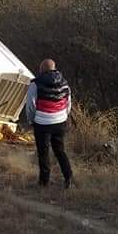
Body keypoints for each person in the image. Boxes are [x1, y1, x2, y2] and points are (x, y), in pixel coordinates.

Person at [26, 58, 73, 189]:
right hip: (60, 122)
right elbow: (68, 103)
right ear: (54, 68)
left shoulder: (35, 84)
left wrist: (31, 120)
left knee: (43, 153)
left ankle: (44, 182)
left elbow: (31, 105)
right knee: (60, 150)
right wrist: (64, 116)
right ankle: (68, 177)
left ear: (42, 69)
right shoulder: (65, 83)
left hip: (42, 123)